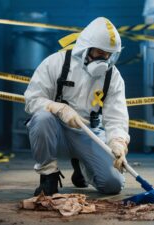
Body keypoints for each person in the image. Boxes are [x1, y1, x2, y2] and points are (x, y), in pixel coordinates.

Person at [24, 17, 130, 196]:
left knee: (113, 185)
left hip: (88, 133)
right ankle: (48, 175)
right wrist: (59, 109)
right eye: (99, 52)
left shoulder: (112, 77)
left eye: (108, 54)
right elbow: (32, 100)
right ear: (85, 48)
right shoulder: (56, 63)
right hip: (55, 131)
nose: (104, 59)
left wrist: (118, 142)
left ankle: (81, 166)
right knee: (42, 119)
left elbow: (116, 116)